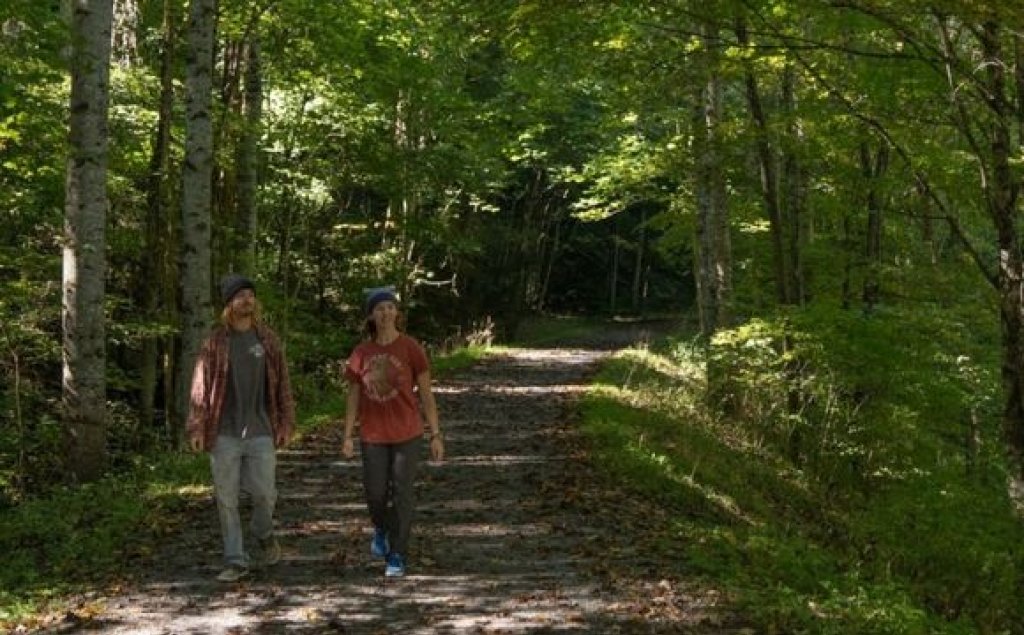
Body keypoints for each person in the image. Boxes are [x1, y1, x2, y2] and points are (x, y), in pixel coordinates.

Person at [187, 274, 295, 582]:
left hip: (261, 429)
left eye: (250, 294)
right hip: (223, 432)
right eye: (240, 296)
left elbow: (283, 385)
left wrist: (286, 422)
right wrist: (196, 427)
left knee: (264, 494)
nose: (246, 299)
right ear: (229, 304)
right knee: (226, 498)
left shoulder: (267, 339)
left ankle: (263, 533)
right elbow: (200, 386)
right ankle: (235, 559)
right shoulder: (216, 342)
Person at [342, 286, 443, 578]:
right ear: (371, 316)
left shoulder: (411, 348)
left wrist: (436, 433)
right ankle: (381, 528)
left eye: (390, 307)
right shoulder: (362, 353)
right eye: (379, 309)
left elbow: (426, 394)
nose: (385, 313)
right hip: (372, 434)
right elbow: (353, 395)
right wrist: (347, 435)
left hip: (407, 432)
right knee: (375, 495)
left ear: (397, 312)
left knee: (402, 494)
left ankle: (397, 553)